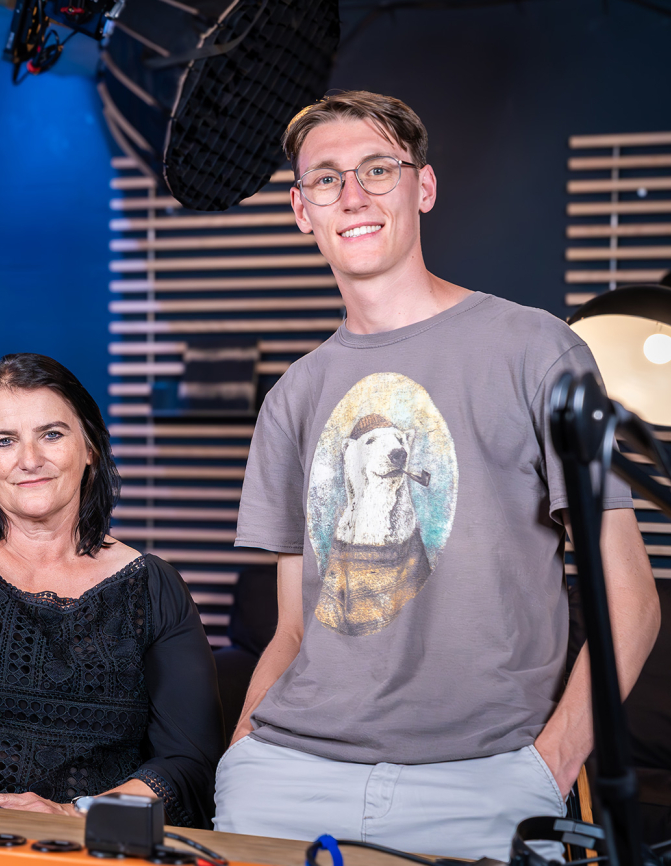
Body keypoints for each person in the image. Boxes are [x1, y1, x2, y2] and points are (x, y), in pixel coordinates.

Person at [212, 91, 660, 857]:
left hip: (486, 784)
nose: (352, 195)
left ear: (423, 187)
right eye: (326, 179)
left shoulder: (536, 351)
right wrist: (243, 749)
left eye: (377, 169)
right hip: (284, 779)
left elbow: (632, 602)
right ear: (300, 209)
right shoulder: (293, 397)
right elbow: (292, 624)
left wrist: (549, 766)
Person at [0, 354, 224, 828]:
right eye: (4, 441)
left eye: (52, 434)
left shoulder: (155, 586)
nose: (30, 460)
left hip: (97, 845)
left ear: (90, 447)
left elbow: (187, 763)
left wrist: (72, 816)